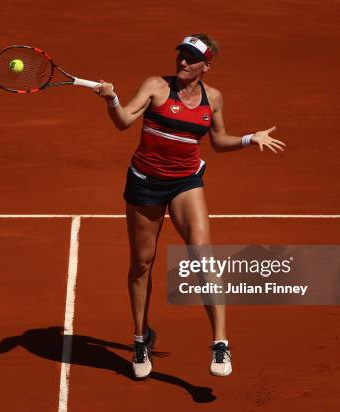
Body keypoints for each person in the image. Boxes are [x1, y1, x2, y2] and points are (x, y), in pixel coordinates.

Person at [93, 34, 285, 379]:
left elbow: (218, 141)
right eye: (181, 55)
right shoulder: (156, 86)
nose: (183, 62)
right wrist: (111, 99)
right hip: (145, 182)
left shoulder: (214, 98)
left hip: (185, 182)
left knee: (202, 255)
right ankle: (141, 337)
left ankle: (220, 343)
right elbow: (123, 121)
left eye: (191, 58)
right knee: (142, 263)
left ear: (206, 66)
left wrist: (248, 138)